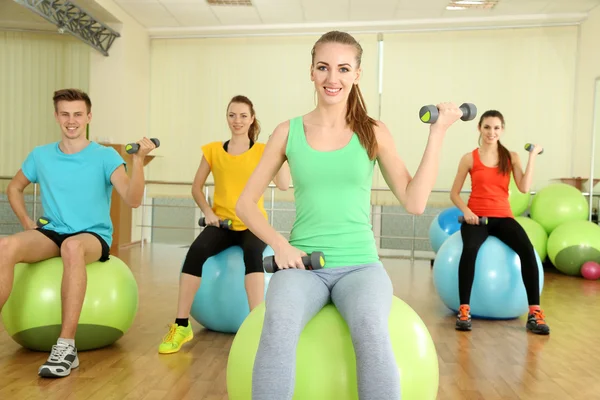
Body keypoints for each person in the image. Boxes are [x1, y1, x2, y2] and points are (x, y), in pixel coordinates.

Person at [235, 31, 463, 400]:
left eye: (343, 69)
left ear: (357, 74)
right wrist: (279, 245)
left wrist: (437, 133)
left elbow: (415, 201)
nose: (332, 78)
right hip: (302, 266)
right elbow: (245, 203)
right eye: (323, 67)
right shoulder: (287, 132)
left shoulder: (372, 132)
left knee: (371, 328)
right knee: (277, 324)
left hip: (360, 265)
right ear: (311, 71)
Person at [1, 88, 155, 378]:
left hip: (92, 236)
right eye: (65, 114)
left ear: (88, 117)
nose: (71, 120)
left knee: (72, 246)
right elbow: (14, 187)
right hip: (52, 231)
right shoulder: (41, 155)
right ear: (56, 116)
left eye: (78, 114)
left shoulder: (105, 156)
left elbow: (133, 199)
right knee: (5, 246)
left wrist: (137, 162)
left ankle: (66, 347)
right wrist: (26, 222)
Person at [158, 95, 290, 354]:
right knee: (195, 252)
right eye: (232, 115)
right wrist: (207, 211)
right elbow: (196, 188)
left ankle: (256, 327)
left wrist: (282, 150)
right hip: (222, 224)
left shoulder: (264, 151)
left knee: (254, 254)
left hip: (252, 223)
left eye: (243, 115)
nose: (237, 120)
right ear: (227, 117)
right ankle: (181, 324)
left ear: (252, 119)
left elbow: (284, 185)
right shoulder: (213, 150)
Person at [449, 109, 549, 335]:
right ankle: (464, 310)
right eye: (487, 127)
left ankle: (535, 313)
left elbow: (524, 187)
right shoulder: (469, 158)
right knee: (470, 249)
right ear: (479, 129)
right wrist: (466, 212)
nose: (491, 132)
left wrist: (532, 157)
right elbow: (454, 193)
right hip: (477, 218)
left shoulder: (511, 156)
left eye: (496, 128)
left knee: (527, 250)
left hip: (503, 217)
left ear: (502, 130)